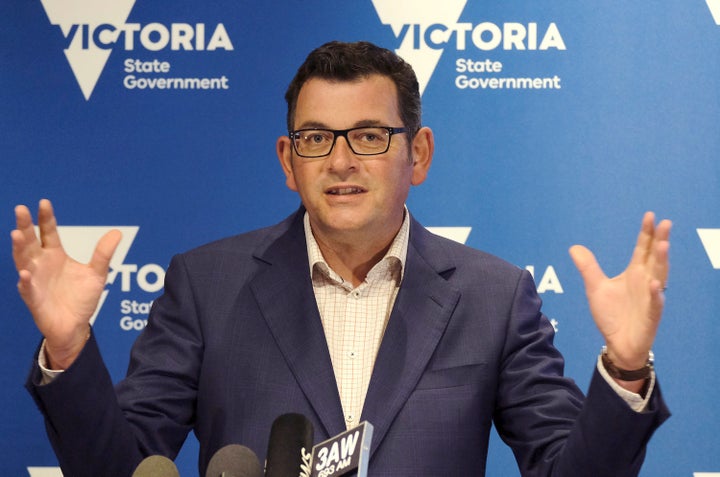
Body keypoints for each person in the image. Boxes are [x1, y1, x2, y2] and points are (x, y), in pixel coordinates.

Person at [13, 41, 671, 476]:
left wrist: (624, 368)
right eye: (316, 137)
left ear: (418, 154)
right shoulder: (206, 286)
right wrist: (69, 350)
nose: (340, 160)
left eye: (368, 135)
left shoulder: (493, 296)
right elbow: (122, 465)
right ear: (287, 160)